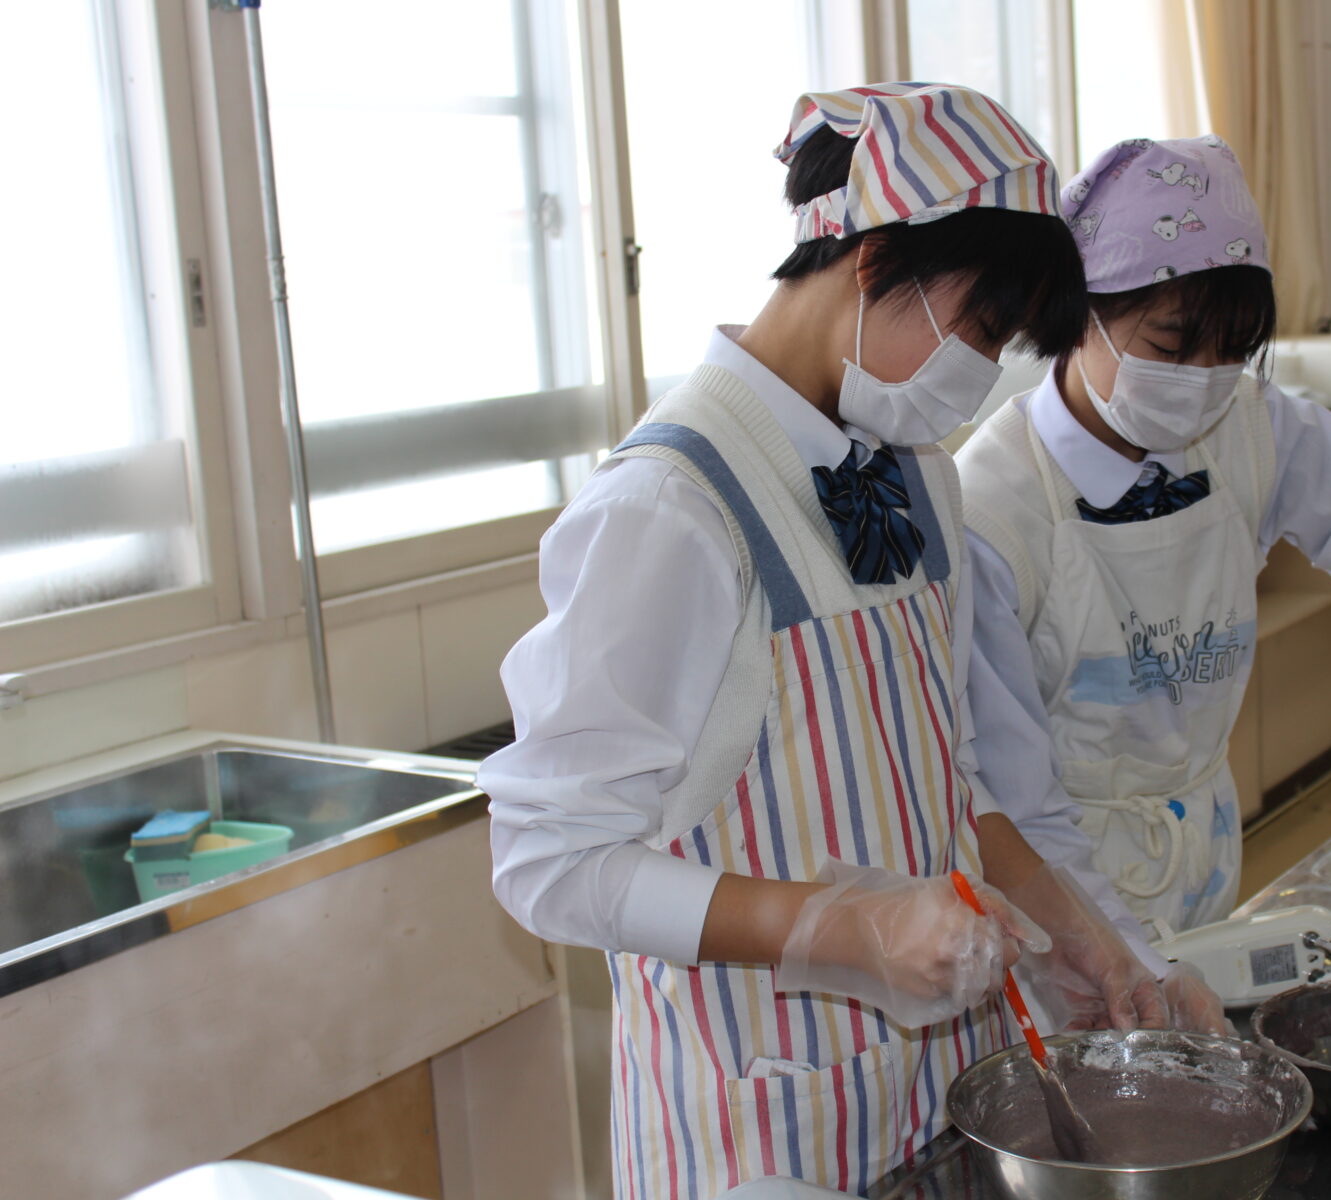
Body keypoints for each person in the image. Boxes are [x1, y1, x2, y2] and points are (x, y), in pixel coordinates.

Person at [478, 85, 1178, 1199]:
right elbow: (548, 864)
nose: (981, 371)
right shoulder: (671, 509)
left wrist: (1075, 934)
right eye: (983, 329)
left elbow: (944, 782)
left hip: (941, 1092)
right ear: (875, 262)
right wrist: (832, 925)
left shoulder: (917, 477)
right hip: (760, 1119)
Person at [956, 135, 1331, 965]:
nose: (1205, 381)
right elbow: (1011, 802)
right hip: (1049, 903)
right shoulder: (994, 510)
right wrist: (1125, 964)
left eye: (1233, 352)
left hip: (1203, 852)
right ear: (1077, 311)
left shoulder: (1256, 430)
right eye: (1172, 348)